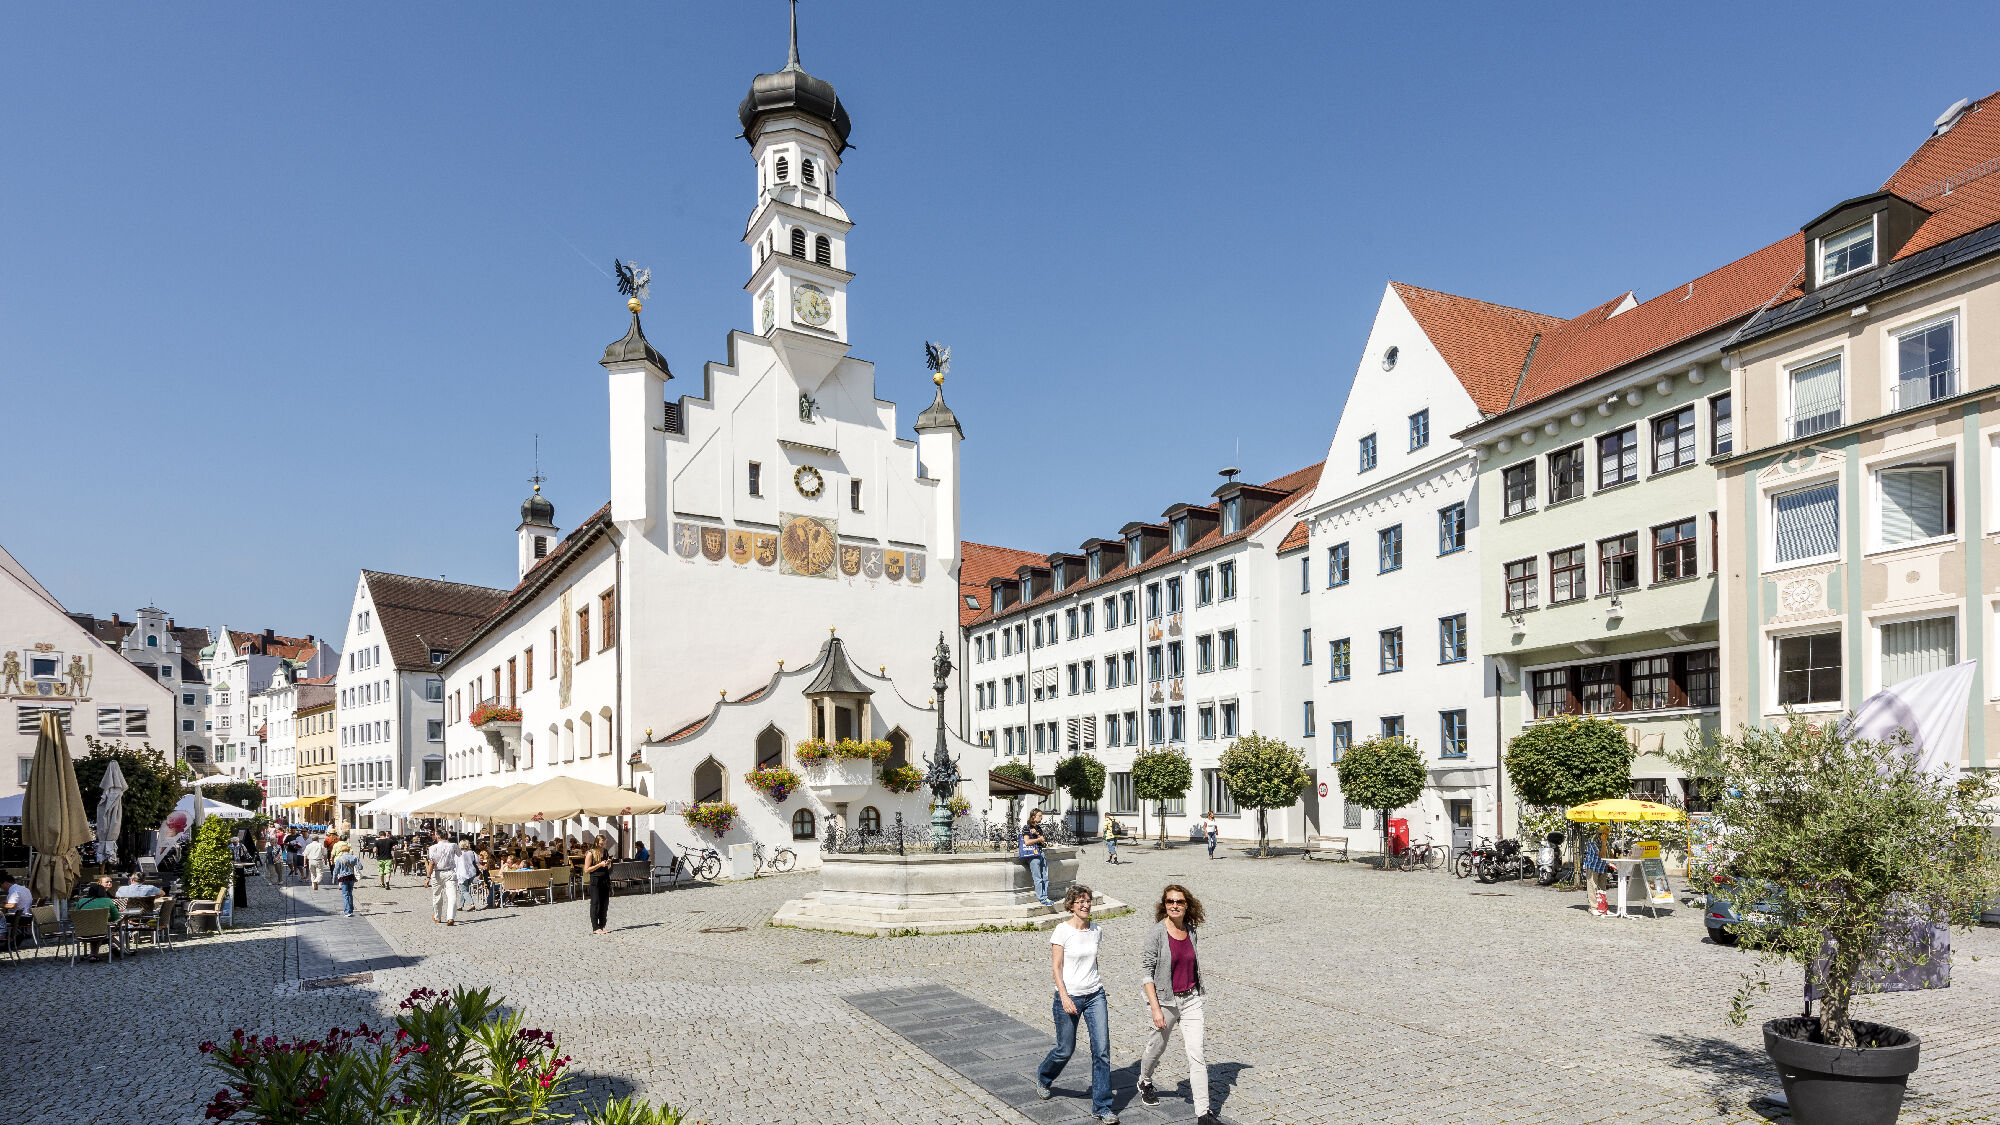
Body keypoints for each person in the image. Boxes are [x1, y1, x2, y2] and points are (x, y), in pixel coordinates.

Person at [1036, 883, 1115, 1123]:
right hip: (1068, 996)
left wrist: (1097, 984)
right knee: (1065, 1049)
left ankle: (1101, 1106)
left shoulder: (1097, 930)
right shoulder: (1062, 931)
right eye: (1080, 901)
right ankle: (1044, 1077)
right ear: (1071, 905)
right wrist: (1064, 996)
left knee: (1101, 1051)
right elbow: (1056, 967)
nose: (1085, 905)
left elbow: (1093, 962)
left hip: (1095, 995)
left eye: (1088, 900)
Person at [1136, 883, 1214, 1124]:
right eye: (1170, 901)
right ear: (1164, 905)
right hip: (1165, 1002)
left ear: (1186, 905)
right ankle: (1145, 1080)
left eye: (1179, 902)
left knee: (1197, 1055)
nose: (1174, 905)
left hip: (1190, 1000)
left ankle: (1203, 1113)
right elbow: (1147, 974)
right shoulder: (1157, 934)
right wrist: (1156, 1009)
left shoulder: (1191, 931)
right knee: (1157, 1047)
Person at [72, 879, 121, 961]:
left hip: (82, 931)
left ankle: (93, 954)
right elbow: (116, 917)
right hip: (100, 931)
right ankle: (112, 946)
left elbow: (75, 916)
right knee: (101, 929)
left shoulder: (81, 901)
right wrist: (106, 919)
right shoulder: (107, 901)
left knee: (95, 928)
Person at [426, 830, 461, 926]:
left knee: (437, 896)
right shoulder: (453, 845)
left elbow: (431, 863)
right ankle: (450, 917)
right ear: (447, 836)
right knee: (452, 895)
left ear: (437, 836)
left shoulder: (432, 848)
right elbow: (459, 854)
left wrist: (428, 877)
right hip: (450, 872)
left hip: (438, 873)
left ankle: (437, 917)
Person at [1022, 808, 1052, 907]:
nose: (1041, 817)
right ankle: (1042, 899)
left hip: (1041, 853)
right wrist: (1037, 838)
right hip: (1033, 855)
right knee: (1038, 877)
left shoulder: (1038, 828)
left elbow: (1043, 840)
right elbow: (1026, 842)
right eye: (1039, 815)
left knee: (1045, 877)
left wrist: (1037, 834)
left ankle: (1045, 896)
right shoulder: (1026, 827)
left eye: (1041, 815)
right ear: (1033, 817)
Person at [583, 838, 613, 935]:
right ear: (596, 843)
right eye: (601, 844)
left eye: (604, 844)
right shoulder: (590, 853)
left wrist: (608, 864)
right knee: (595, 903)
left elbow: (608, 867)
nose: (602, 846)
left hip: (605, 878)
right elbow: (586, 870)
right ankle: (595, 927)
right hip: (595, 880)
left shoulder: (605, 851)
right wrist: (599, 865)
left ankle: (602, 926)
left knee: (604, 904)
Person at [331, 842, 362, 917]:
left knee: (345, 894)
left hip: (343, 878)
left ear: (341, 851)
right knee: (350, 893)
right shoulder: (354, 857)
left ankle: (347, 911)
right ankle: (351, 909)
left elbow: (336, 871)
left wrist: (333, 880)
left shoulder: (339, 859)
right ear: (348, 850)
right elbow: (360, 867)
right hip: (351, 877)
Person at [455, 837, 480, 911]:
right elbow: (477, 862)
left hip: (462, 873)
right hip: (471, 873)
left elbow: (455, 864)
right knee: (465, 889)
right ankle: (460, 905)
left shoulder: (458, 853)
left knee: (464, 890)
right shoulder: (472, 852)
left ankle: (471, 904)